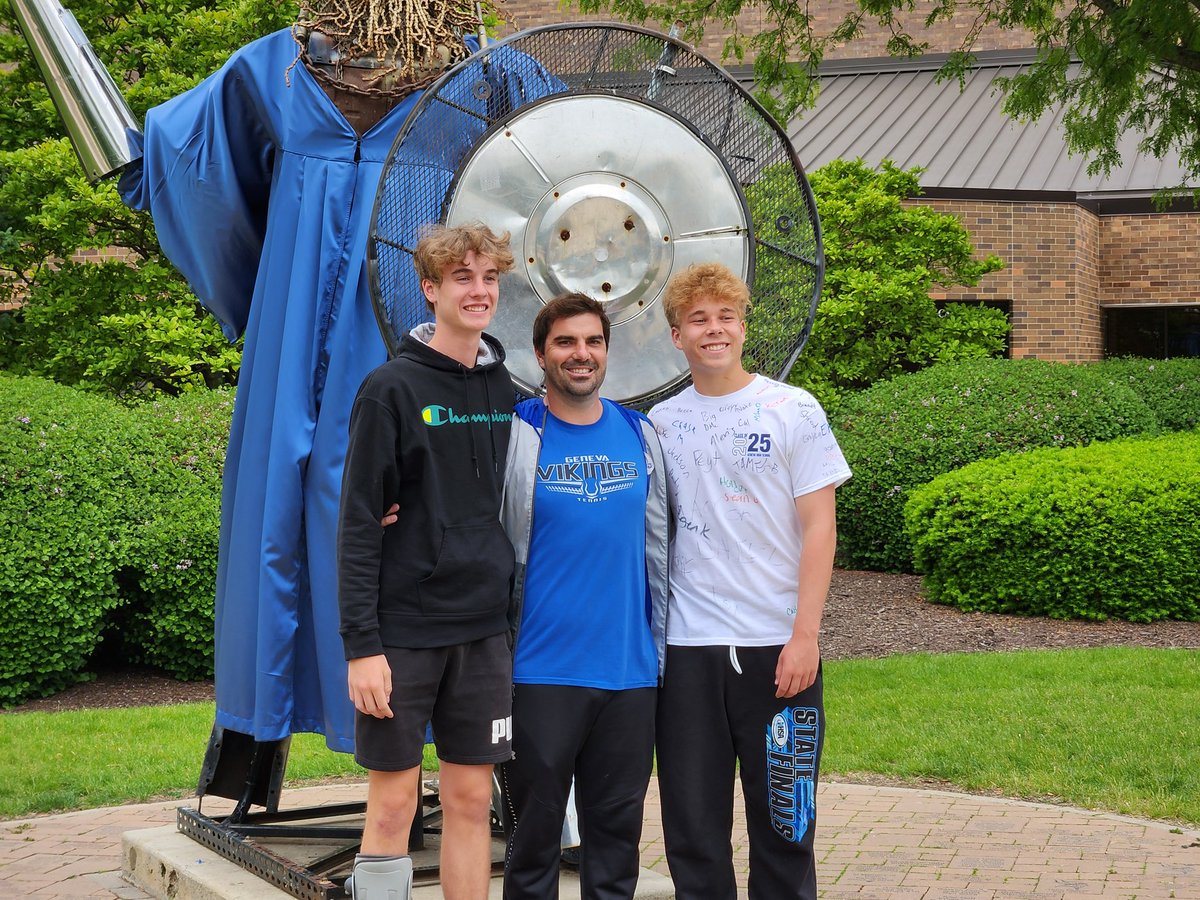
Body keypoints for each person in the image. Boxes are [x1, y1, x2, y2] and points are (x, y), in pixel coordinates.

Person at [117, 3, 553, 755]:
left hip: (410, 305)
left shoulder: (489, 69)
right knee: (299, 494)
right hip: (301, 318)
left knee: (415, 490)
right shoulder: (277, 67)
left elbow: (567, 162)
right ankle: (312, 698)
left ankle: (443, 716)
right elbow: (184, 153)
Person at [647, 263, 852, 900]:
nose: (714, 330)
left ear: (743, 325)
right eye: (698, 320)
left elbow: (820, 528)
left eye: (725, 316)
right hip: (686, 652)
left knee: (787, 823)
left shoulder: (793, 410)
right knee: (692, 830)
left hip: (777, 649)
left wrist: (806, 636)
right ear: (676, 336)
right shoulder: (659, 423)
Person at [337, 223, 517, 900]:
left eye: (490, 278)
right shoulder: (390, 389)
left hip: (484, 631)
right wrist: (362, 647)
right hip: (404, 633)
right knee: (392, 807)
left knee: (472, 802)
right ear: (430, 288)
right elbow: (357, 523)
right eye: (463, 278)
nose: (479, 291)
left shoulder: (507, 390)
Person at [498, 293, 669, 900]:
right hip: (541, 672)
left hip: (630, 674)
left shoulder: (640, 433)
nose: (581, 354)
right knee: (534, 843)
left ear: (606, 351)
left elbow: (667, 543)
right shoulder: (517, 432)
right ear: (541, 354)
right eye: (566, 342)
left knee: (616, 844)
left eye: (593, 341)